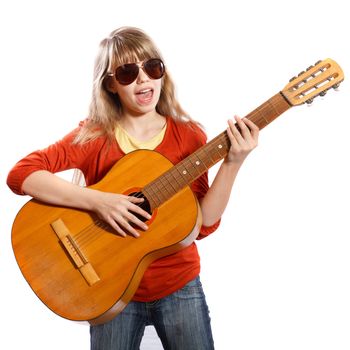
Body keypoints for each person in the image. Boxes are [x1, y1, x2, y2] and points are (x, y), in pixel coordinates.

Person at [7, 26, 259, 349]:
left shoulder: (189, 137)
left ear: (161, 75)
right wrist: (100, 202)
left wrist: (233, 163)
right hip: (108, 290)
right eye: (128, 72)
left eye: (151, 67)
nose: (143, 79)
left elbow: (203, 223)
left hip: (178, 284)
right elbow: (22, 174)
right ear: (111, 84)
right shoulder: (94, 137)